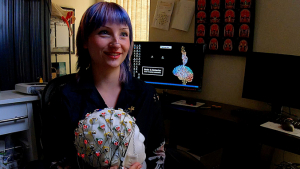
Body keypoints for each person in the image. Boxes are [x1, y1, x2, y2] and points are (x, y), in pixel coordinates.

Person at [41, 2, 165, 169]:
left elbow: (158, 156)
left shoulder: (147, 94)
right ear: (85, 40)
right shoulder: (64, 96)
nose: (116, 43)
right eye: (104, 32)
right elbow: (53, 160)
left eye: (123, 34)